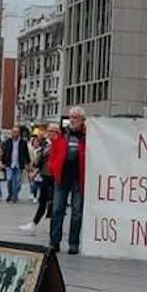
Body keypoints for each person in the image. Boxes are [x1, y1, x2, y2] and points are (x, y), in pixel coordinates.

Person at [47, 107, 87, 254]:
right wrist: (52, 168)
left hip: (78, 178)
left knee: (77, 212)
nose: (72, 120)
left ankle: (73, 243)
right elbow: (53, 153)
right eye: (71, 117)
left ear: (82, 120)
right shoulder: (62, 135)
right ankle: (54, 241)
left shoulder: (87, 135)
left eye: (76, 117)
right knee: (57, 209)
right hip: (62, 177)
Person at [19, 124, 59, 235]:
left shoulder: (58, 144)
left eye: (52, 131)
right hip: (45, 175)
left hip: (55, 177)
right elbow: (41, 161)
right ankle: (34, 224)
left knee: (53, 202)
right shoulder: (46, 145)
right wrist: (35, 171)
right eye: (48, 131)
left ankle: (51, 225)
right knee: (43, 201)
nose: (49, 133)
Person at [1, 126, 31, 203]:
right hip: (10, 164)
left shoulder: (23, 143)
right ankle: (10, 194)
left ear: (19, 133)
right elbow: (5, 152)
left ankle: (15, 195)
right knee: (9, 180)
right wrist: (3, 162)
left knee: (17, 182)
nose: (15, 134)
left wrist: (27, 163)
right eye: (14, 132)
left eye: (17, 132)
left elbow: (26, 154)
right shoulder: (8, 142)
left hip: (19, 164)